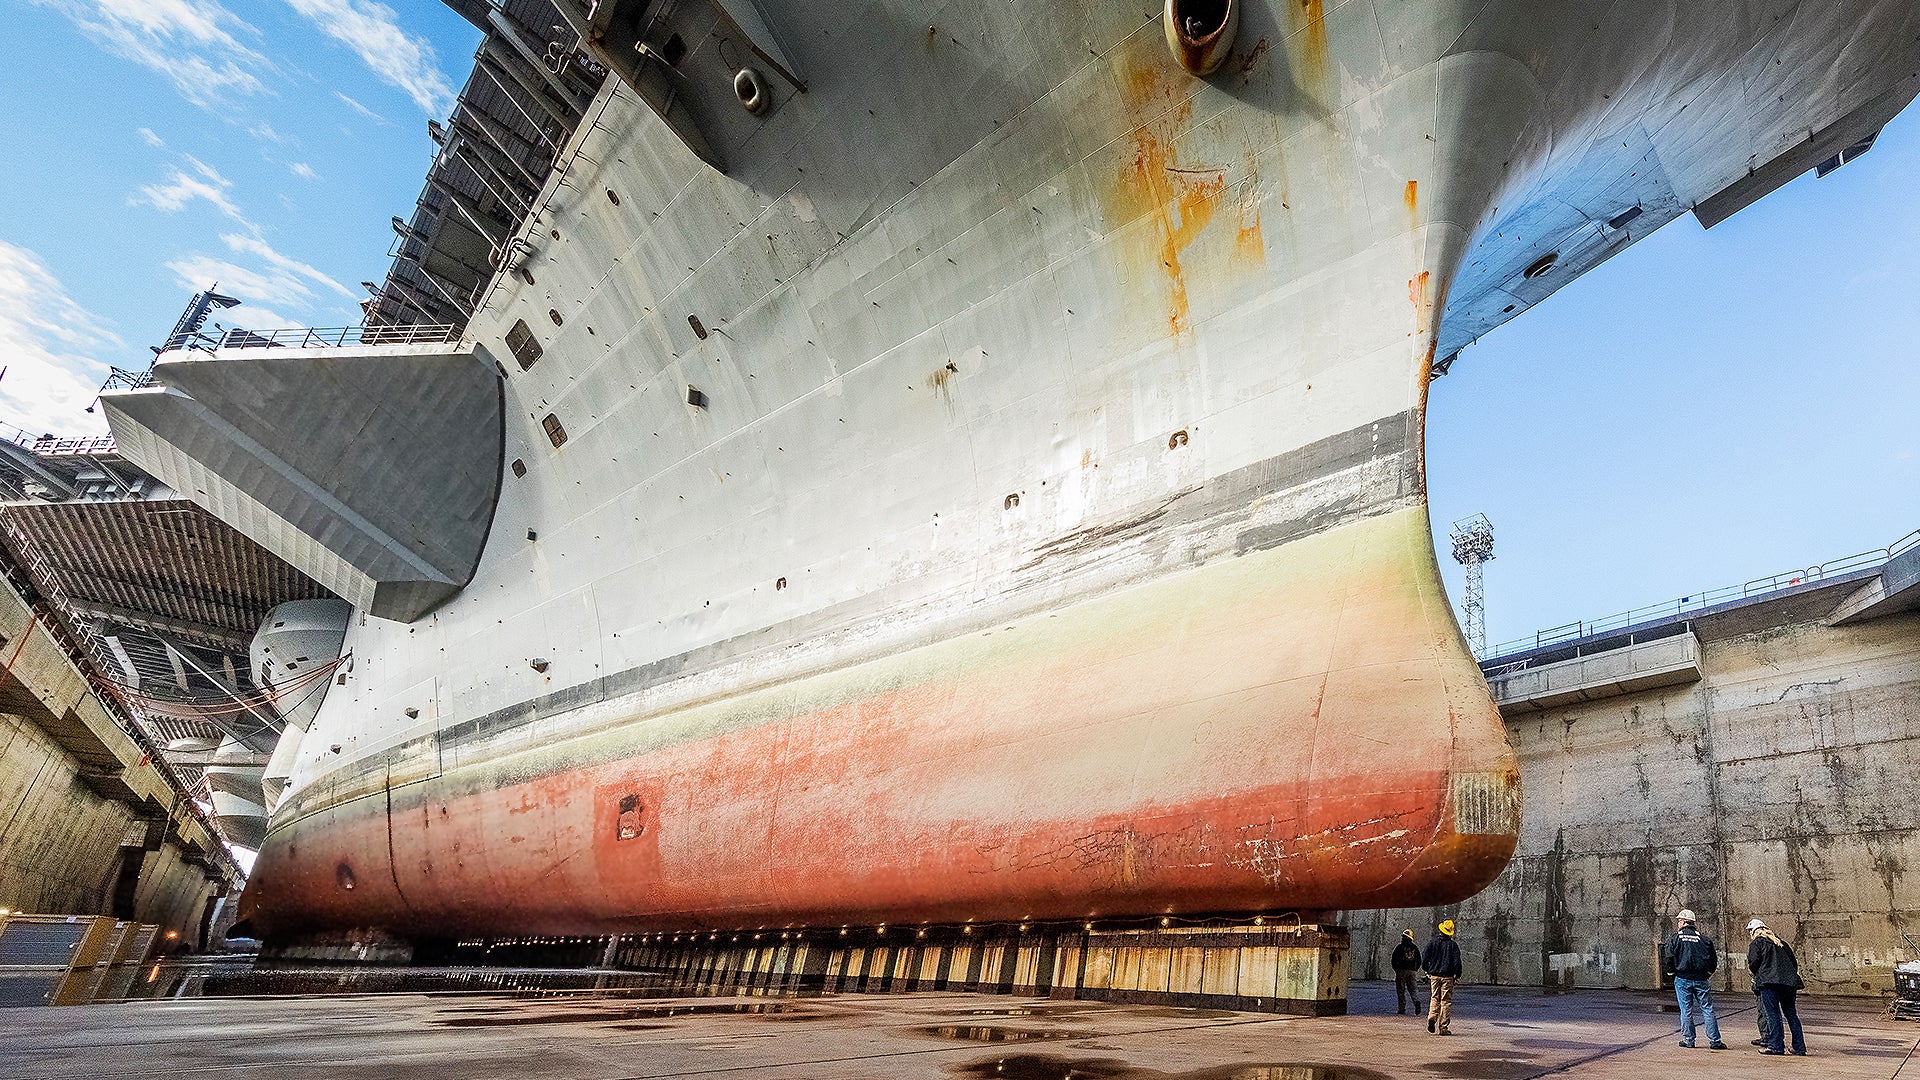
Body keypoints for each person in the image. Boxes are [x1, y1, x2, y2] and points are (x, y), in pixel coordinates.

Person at [1660, 908, 1727, 1049]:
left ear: (1684, 922)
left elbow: (1669, 958)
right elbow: (1713, 961)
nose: (1678, 923)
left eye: (1679, 921)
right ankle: (1715, 1041)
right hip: (1701, 979)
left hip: (1682, 978)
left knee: (1686, 1010)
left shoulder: (1675, 938)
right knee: (1707, 1009)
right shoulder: (1704, 939)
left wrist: (1671, 973)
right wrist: (1707, 973)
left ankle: (1689, 1040)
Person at [1747, 919, 1806, 1056]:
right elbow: (1793, 963)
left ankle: (1776, 1046)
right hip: (1789, 984)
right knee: (1791, 1015)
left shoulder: (1757, 943)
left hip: (1769, 983)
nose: (1750, 934)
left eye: (1750, 931)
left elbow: (1753, 963)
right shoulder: (1782, 944)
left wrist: (1760, 976)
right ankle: (1799, 1047)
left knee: (1773, 1015)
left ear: (1754, 931)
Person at [1422, 919, 1463, 1034]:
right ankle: (1443, 1028)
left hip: (1434, 975)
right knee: (1445, 1001)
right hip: (1448, 977)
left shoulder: (1432, 943)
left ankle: (1432, 1017)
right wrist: (1457, 974)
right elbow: (1457, 962)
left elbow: (1424, 958)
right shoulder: (1453, 945)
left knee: (1434, 997)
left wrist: (1427, 970)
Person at [1391, 929, 1423, 1015]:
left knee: (1401, 991)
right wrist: (1415, 969)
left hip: (1401, 971)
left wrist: (1396, 969)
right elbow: (1419, 960)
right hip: (1412, 971)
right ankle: (1416, 1001)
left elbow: (1393, 959)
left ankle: (1402, 1009)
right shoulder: (1415, 948)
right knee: (1413, 989)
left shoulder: (1399, 947)